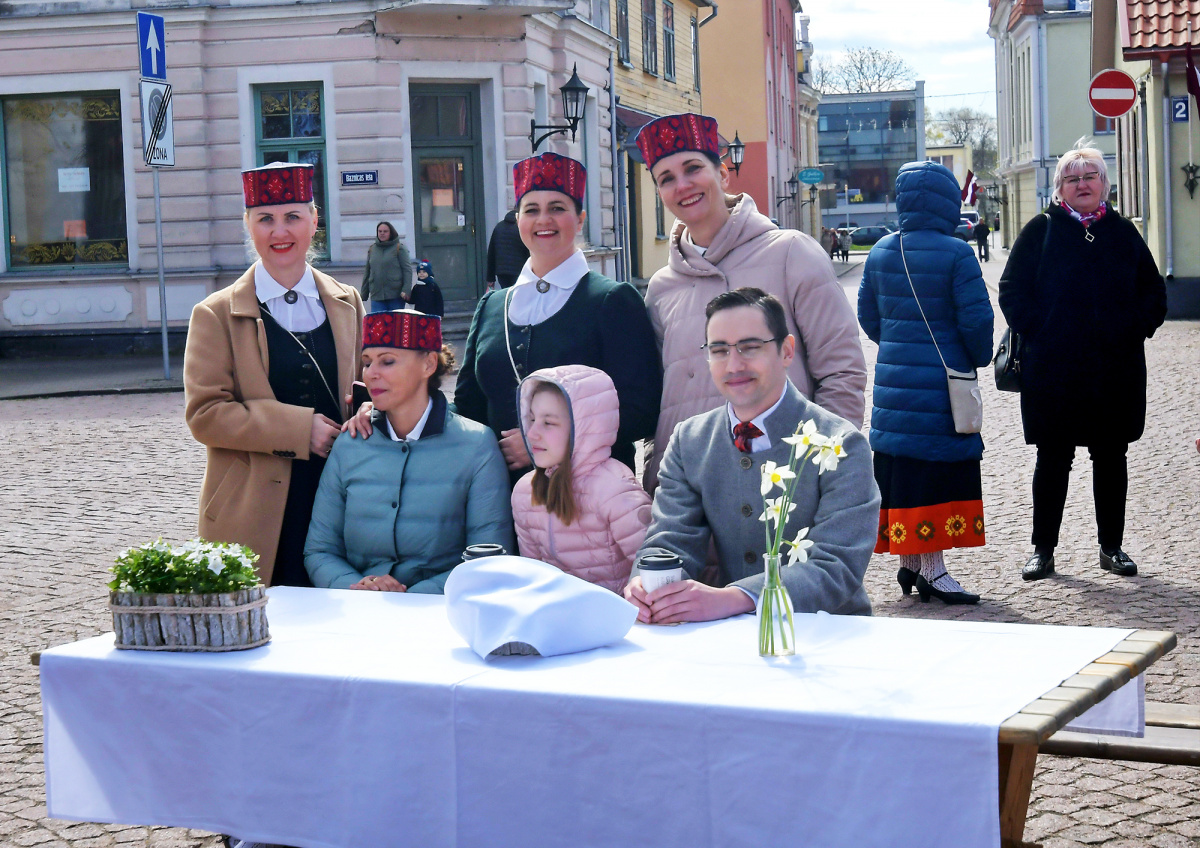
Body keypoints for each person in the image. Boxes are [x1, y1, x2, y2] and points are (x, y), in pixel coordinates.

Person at [635, 113, 866, 489]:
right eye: (666, 178)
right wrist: (655, 475)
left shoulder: (791, 254)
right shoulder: (661, 288)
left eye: (693, 169)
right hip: (687, 490)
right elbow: (660, 399)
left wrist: (817, 470)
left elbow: (842, 372)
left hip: (780, 484)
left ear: (722, 174)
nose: (683, 185)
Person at [625, 288, 878, 625]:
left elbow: (836, 566)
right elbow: (671, 538)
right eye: (719, 350)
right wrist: (649, 584)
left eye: (750, 347)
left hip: (827, 630)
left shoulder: (839, 443)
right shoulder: (690, 440)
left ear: (786, 351)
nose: (734, 365)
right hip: (731, 635)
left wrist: (736, 598)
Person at [184, 162, 364, 588]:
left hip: (339, 497)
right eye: (265, 219)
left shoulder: (348, 301)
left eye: (292, 217)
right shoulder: (215, 313)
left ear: (314, 221)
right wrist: (300, 430)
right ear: (249, 225)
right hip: (254, 507)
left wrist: (368, 408)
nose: (279, 232)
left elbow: (365, 384)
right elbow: (205, 414)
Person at [999, 140, 1167, 581]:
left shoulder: (1123, 232)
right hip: (1054, 371)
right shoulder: (1041, 230)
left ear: (1104, 184)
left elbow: (1153, 292)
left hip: (1115, 370)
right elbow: (1011, 291)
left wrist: (1133, 328)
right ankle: (1043, 550)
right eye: (1072, 179)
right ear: (1060, 189)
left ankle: (1112, 547)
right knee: (1053, 459)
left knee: (1111, 457)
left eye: (1090, 176)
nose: (1082, 184)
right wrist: (1042, 330)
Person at [452, 151, 662, 484]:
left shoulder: (612, 300)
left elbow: (642, 409)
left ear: (580, 220)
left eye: (557, 208)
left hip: (590, 495)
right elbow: (467, 408)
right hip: (501, 495)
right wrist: (391, 412)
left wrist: (550, 442)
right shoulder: (492, 306)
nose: (543, 220)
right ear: (518, 220)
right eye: (531, 210)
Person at [858, 161, 995, 605]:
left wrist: (899, 345)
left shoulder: (881, 250)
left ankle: (911, 563)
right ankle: (933, 571)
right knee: (934, 472)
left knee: (904, 470)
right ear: (947, 202)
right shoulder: (956, 253)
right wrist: (975, 357)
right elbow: (976, 321)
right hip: (940, 386)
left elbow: (868, 316)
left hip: (894, 384)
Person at [305, 310, 513, 592]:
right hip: (358, 609)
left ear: (428, 364)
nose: (371, 373)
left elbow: (488, 556)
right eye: (367, 362)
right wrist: (357, 588)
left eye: (387, 361)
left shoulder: (476, 445)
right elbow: (319, 550)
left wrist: (407, 598)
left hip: (442, 611)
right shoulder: (350, 443)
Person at [511, 365, 653, 594]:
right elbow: (534, 576)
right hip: (557, 611)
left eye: (548, 423)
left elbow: (652, 570)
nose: (531, 433)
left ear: (584, 428)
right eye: (531, 419)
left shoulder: (615, 490)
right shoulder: (525, 492)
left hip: (620, 613)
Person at [360, 221, 413, 313]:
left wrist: (406, 290)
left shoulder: (399, 248)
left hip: (395, 296)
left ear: (391, 233)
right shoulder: (373, 249)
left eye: (385, 231)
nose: (382, 233)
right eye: (380, 231)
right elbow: (367, 272)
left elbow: (407, 270)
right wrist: (363, 293)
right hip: (377, 295)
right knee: (377, 321)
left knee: (395, 321)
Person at [486, 208, 530, 290]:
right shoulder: (522, 228)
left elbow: (491, 253)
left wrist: (490, 278)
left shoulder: (499, 227)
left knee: (506, 294)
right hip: (520, 270)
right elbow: (529, 251)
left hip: (502, 272)